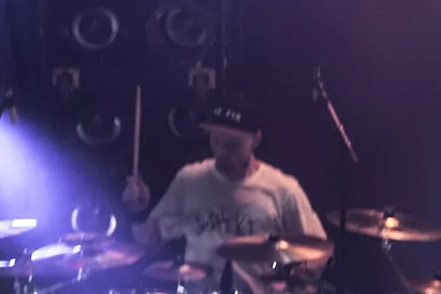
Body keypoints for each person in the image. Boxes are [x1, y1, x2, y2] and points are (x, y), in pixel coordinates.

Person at [121, 103, 329, 278]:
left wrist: (295, 280)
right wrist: (137, 211)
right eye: (216, 140)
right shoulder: (190, 179)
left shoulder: (282, 188)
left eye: (232, 143)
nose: (222, 149)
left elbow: (319, 250)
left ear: (255, 139)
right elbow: (150, 240)